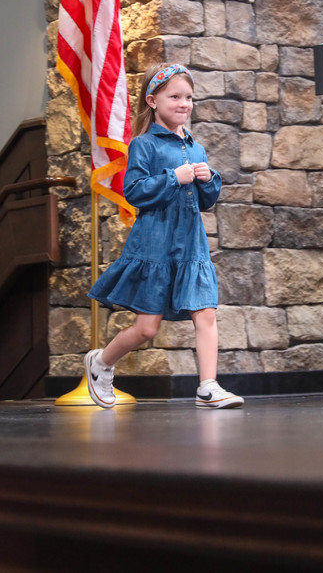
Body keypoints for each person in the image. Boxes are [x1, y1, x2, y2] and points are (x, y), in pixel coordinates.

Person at [85, 63, 243, 410]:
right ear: (152, 100)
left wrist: (208, 178)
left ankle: (207, 386)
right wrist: (175, 177)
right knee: (146, 329)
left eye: (188, 97)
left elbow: (205, 201)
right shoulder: (144, 145)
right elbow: (135, 191)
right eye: (175, 96)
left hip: (190, 242)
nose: (184, 103)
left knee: (206, 313)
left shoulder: (196, 148)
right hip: (156, 242)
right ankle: (101, 363)